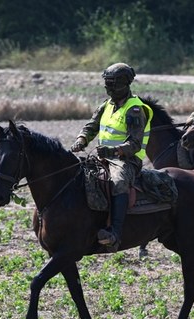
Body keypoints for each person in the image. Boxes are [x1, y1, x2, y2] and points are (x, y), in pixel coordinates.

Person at [70, 62, 152, 252]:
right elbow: (91, 126)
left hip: (126, 161)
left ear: (125, 83)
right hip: (103, 157)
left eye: (112, 84)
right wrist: (82, 140)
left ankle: (115, 232)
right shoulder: (106, 105)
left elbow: (135, 144)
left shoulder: (135, 109)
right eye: (107, 83)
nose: (108, 88)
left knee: (118, 182)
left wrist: (113, 151)